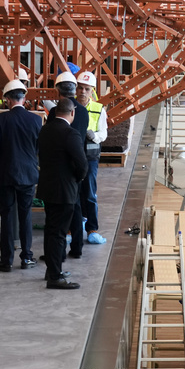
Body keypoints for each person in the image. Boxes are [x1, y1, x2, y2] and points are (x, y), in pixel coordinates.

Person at [0, 79, 43, 272]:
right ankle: (27, 257)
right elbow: (38, 148)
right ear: (24, 98)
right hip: (28, 175)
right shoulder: (36, 120)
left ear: (7, 100)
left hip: (5, 175)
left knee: (7, 215)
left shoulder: (0, 120)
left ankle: (6, 260)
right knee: (25, 215)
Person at [38, 96, 88, 289]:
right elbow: (82, 164)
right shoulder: (71, 134)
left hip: (48, 188)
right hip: (65, 190)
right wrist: (77, 178)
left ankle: (51, 270)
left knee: (51, 231)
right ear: (72, 113)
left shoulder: (45, 130)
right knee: (59, 234)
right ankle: (55, 277)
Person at [47, 70, 88, 261]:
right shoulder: (84, 111)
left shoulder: (56, 112)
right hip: (78, 166)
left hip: (60, 169)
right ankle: (77, 247)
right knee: (76, 208)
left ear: (57, 90)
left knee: (57, 219)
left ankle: (57, 253)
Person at [76, 70, 108, 244]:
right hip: (73, 154)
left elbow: (103, 133)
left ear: (92, 90)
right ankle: (72, 228)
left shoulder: (98, 109)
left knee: (89, 191)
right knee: (73, 191)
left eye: (86, 89)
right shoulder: (69, 106)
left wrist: (94, 135)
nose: (82, 92)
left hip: (90, 155)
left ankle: (92, 229)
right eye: (80, 88)